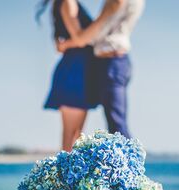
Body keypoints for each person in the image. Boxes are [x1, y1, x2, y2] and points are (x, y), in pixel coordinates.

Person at [58, 0, 145, 138]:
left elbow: (88, 37)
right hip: (116, 61)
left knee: (116, 124)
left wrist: (68, 43)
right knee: (115, 122)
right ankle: (127, 157)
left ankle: (130, 159)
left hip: (111, 61)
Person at [38, 0, 117, 151]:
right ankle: (65, 173)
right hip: (75, 71)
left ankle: (68, 172)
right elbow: (79, 39)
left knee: (75, 134)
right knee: (72, 135)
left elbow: (64, 44)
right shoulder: (68, 2)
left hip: (81, 70)